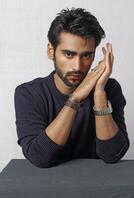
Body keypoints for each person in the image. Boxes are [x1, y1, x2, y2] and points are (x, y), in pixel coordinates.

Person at [14, 8, 129, 168]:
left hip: (95, 188)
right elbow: (39, 157)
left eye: (86, 55)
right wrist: (75, 99)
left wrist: (99, 94)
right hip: (46, 189)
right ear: (50, 51)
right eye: (69, 54)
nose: (77, 66)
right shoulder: (28, 94)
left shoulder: (109, 89)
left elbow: (112, 154)